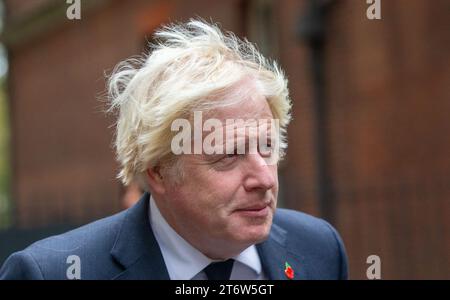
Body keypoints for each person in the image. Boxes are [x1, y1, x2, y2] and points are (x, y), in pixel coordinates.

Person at [0, 19, 347, 280]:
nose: (263, 178)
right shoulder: (53, 273)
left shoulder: (319, 250)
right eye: (229, 154)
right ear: (158, 170)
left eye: (266, 147)